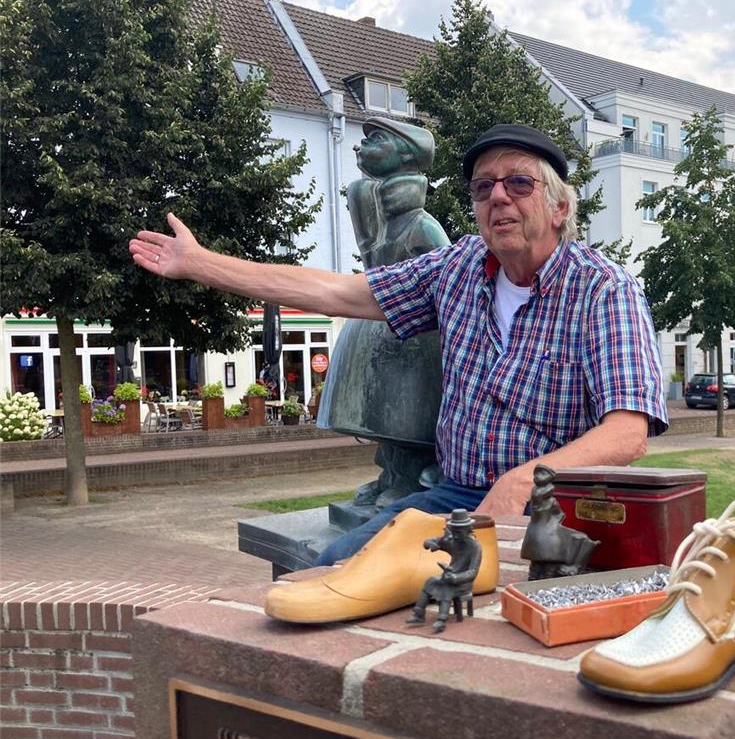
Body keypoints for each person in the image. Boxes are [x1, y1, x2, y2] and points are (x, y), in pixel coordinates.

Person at [130, 123, 668, 565]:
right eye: (483, 188)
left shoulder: (603, 289)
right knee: (334, 571)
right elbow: (338, 291)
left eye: (518, 184)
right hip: (456, 497)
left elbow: (627, 434)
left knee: (495, 621)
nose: (498, 196)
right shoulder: (457, 268)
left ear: (558, 207)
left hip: (560, 507)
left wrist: (523, 481)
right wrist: (200, 264)